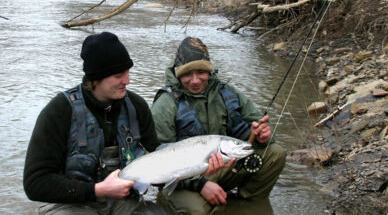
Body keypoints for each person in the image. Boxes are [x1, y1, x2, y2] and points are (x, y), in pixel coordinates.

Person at [23, 32, 170, 214]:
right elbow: (34, 184)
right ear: (95, 78)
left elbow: (157, 158)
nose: (127, 80)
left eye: (127, 72)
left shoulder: (137, 107)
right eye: (118, 75)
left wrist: (197, 175)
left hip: (125, 203)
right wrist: (97, 190)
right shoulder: (59, 111)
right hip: (71, 205)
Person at [151, 37, 287, 215]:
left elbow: (260, 123)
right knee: (197, 211)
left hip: (225, 167)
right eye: (186, 74)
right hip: (184, 178)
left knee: (275, 153)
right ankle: (168, 201)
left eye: (201, 72)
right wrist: (201, 184)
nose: (195, 80)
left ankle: (249, 204)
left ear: (209, 70)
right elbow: (157, 164)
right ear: (177, 73)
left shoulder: (227, 91)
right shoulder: (165, 104)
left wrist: (264, 135)